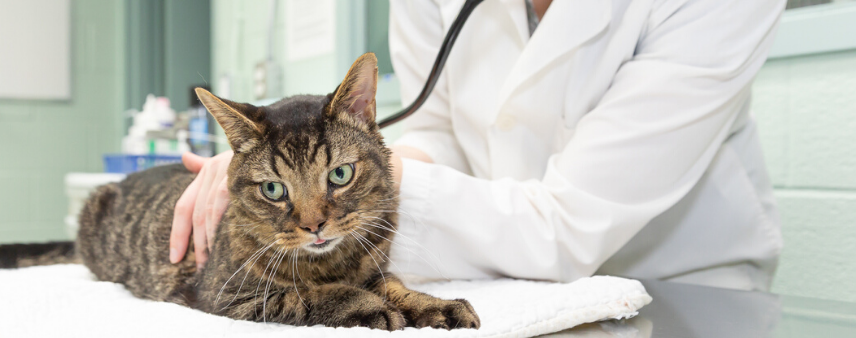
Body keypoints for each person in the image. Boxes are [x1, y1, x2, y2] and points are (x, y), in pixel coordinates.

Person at [170, 0, 785, 291]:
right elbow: (440, 133)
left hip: (681, 292)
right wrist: (286, 169)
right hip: (501, 279)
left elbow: (570, 227)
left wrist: (348, 172)